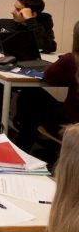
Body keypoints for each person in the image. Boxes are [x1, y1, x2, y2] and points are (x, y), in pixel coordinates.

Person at [13, 19, 78, 151]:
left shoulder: (72, 60)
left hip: (71, 126)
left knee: (30, 95)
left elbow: (49, 75)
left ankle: (22, 148)